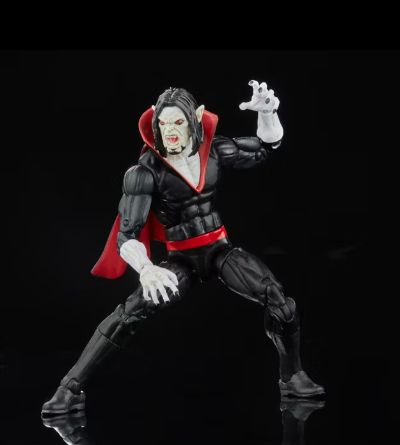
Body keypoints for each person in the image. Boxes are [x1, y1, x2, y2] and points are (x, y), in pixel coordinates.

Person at [42, 81, 324, 415]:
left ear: (195, 118)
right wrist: (146, 269)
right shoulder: (145, 172)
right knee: (130, 312)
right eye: (164, 124)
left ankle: (293, 378)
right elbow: (126, 235)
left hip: (219, 251)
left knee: (280, 303)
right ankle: (69, 389)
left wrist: (268, 113)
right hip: (182, 260)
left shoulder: (214, 150)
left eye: (178, 122)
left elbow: (266, 147)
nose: (171, 131)